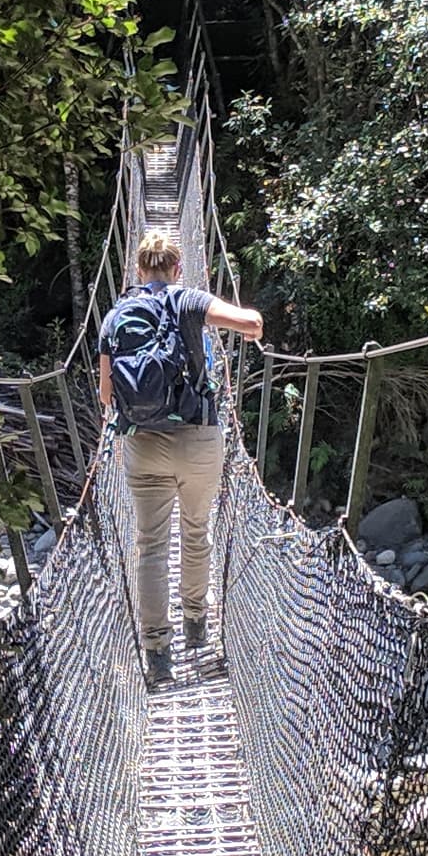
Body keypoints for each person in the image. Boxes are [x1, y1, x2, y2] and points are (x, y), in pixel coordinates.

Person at [99, 229, 261, 685]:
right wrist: (253, 321)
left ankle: (157, 652)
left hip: (142, 445)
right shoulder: (188, 300)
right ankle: (195, 625)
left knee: (150, 546)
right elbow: (250, 325)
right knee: (196, 532)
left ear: (137, 270)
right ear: (177, 268)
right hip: (197, 439)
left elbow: (106, 395)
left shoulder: (115, 317)